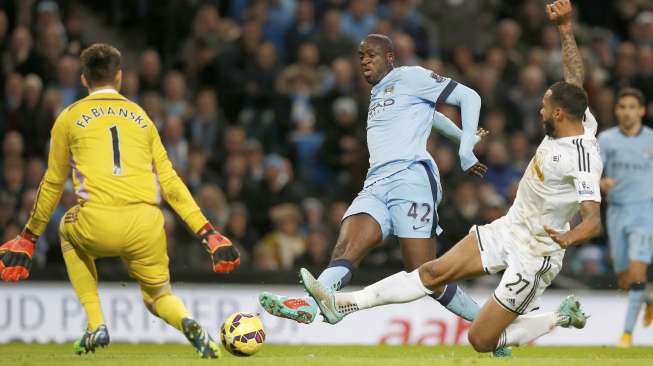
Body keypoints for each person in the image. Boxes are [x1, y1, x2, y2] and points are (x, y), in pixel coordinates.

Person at [299, 0, 602, 353]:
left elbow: (592, 220)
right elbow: (574, 79)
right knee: (430, 274)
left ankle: (559, 318)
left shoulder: (583, 155)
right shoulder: (572, 120)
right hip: (507, 229)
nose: (540, 109)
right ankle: (344, 304)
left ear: (560, 113)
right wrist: (565, 29)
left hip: (537, 252)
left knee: (481, 340)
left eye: (546, 106)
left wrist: (568, 238)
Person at [259, 31, 500, 349]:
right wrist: (459, 135)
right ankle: (312, 304)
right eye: (360, 57)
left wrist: (466, 147)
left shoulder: (412, 76)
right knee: (346, 247)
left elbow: (469, 97)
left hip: (411, 179)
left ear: (390, 56)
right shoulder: (378, 93)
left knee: (426, 274)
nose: (364, 62)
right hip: (376, 183)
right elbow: (431, 116)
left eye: (371, 55)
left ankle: (493, 329)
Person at [0, 44, 240, 358]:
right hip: (147, 223)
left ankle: (96, 324)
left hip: (96, 222)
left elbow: (52, 183)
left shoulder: (69, 117)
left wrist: (29, 237)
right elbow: (169, 182)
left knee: (66, 233)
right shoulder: (142, 118)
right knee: (157, 296)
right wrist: (207, 231)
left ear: (84, 79)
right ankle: (187, 321)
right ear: (120, 77)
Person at [598, 87, 653, 348]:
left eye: (632, 107)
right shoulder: (606, 139)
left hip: (645, 211)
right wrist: (601, 183)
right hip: (616, 211)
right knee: (624, 279)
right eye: (622, 107)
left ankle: (627, 335)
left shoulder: (651, 140)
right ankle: (649, 299)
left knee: (637, 271)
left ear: (641, 110)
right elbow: (594, 171)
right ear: (617, 111)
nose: (627, 112)